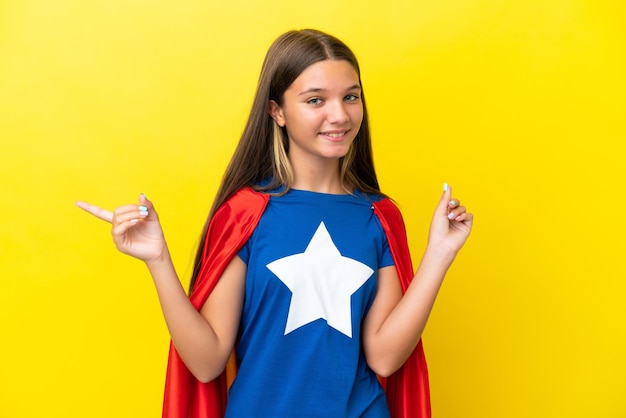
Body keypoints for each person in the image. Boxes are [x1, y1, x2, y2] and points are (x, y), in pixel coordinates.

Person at [76, 29, 472, 418]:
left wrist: (438, 255)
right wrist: (157, 260)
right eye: (316, 100)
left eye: (351, 97)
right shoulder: (245, 213)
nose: (340, 115)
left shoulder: (380, 216)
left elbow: (384, 358)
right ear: (276, 111)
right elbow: (207, 361)